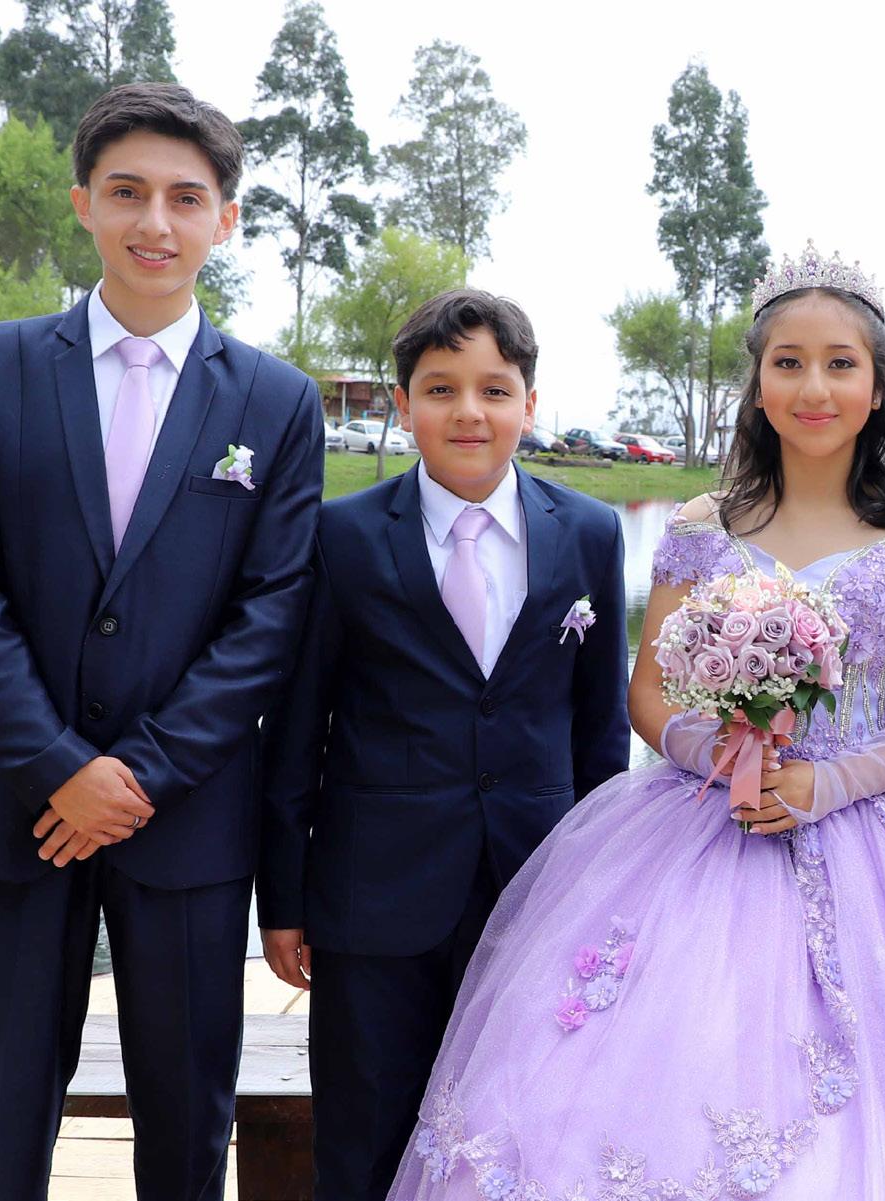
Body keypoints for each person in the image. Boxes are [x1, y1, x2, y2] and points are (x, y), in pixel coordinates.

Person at [380, 246, 885, 1199]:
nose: (814, 387)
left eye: (840, 363)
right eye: (788, 363)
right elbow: (647, 696)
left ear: (876, 384)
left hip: (874, 840)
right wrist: (724, 751)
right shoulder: (702, 524)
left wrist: (828, 781)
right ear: (758, 384)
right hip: (700, 822)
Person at [0, 82, 326, 1201]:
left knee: (189, 1127)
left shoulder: (278, 403)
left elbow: (269, 615)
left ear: (224, 219)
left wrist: (137, 773)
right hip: (18, 809)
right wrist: (59, 765)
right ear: (83, 203)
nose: (156, 222)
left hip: (187, 819)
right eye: (127, 192)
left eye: (185, 198)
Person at [254, 289, 632, 1198]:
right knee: (364, 1132)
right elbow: (296, 731)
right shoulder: (340, 536)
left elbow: (600, 733)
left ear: (529, 404)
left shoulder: (588, 532)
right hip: (372, 897)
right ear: (401, 403)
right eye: (439, 389)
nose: (469, 411)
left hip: (534, 887)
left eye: (494, 390)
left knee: (518, 1135)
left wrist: (599, 888)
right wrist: (284, 898)